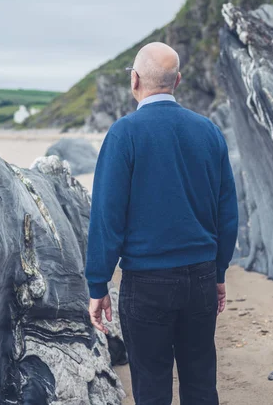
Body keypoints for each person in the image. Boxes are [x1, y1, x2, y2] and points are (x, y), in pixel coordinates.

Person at [85, 42, 239, 404]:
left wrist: (98, 284)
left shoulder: (124, 134)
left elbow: (107, 216)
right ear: (178, 80)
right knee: (201, 382)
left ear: (135, 80)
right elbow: (227, 213)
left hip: (147, 283)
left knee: (151, 386)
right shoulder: (209, 132)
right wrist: (218, 274)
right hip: (200, 278)